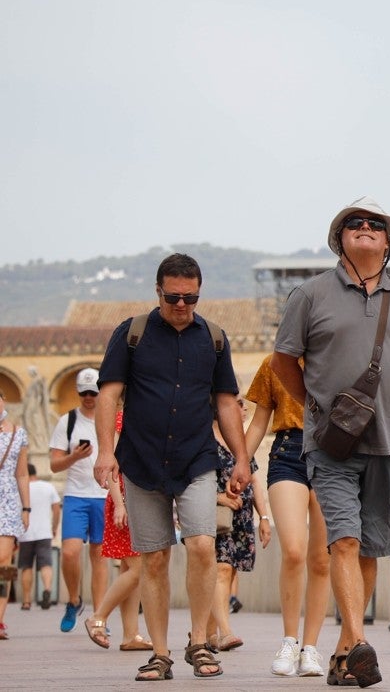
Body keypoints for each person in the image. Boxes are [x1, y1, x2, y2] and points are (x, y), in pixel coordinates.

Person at [272, 197, 390, 687]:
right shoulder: (310, 294)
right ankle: (362, 643)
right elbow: (283, 363)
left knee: (368, 551)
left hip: (389, 442)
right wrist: (318, 409)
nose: (365, 228)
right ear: (339, 238)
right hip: (331, 445)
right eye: (354, 224)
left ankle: (344, 652)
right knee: (341, 539)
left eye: (375, 225)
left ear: (388, 242)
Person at [93, 252, 252, 681]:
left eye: (191, 298)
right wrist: (106, 451)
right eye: (173, 297)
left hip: (196, 458)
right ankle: (160, 654)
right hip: (141, 460)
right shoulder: (132, 334)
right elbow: (109, 394)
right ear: (158, 291)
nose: (182, 306)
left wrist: (240, 458)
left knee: (201, 544)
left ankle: (199, 642)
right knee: (155, 557)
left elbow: (225, 402)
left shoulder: (214, 338)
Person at [243, 353, 329, 677]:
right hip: (287, 453)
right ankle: (289, 641)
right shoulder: (274, 363)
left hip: (331, 454)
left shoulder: (337, 356)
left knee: (322, 558)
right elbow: (258, 421)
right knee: (293, 550)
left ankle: (311, 648)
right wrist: (241, 463)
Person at [205, 397, 270, 654]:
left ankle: (206, 633)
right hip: (215, 516)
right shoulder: (204, 440)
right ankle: (225, 632)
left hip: (241, 517)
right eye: (239, 404)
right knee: (221, 569)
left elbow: (254, 481)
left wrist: (264, 518)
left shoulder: (241, 442)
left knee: (229, 572)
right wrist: (217, 496)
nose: (243, 410)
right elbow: (192, 478)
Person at [85, 410, 153, 652]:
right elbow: (112, 464)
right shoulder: (121, 418)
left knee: (130, 567)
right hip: (126, 496)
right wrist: (120, 504)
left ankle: (130, 634)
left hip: (139, 493)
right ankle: (98, 617)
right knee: (137, 569)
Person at [48, 368, 108, 633]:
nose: (88, 397)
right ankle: (73, 600)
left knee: (99, 556)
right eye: (83, 392)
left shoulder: (109, 419)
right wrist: (74, 457)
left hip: (103, 495)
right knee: (70, 552)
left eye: (93, 392)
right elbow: (53, 465)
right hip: (75, 495)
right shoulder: (67, 421)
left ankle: (99, 617)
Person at [0, 391, 32, 640]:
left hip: (8, 501)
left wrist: (26, 507)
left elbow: (22, 473)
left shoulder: (18, 433)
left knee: (4, 561)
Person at [18, 462, 60, 611]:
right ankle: (47, 589)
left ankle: (26, 601)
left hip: (25, 532)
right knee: (46, 564)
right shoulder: (48, 487)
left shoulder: (21, 489)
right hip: (44, 532)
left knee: (26, 566)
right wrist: (54, 528)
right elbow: (56, 509)